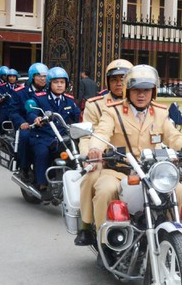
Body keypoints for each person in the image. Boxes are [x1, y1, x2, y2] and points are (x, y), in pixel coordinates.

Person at [86, 64, 182, 239]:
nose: (141, 95)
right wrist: (95, 148)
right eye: (136, 90)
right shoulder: (113, 111)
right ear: (128, 91)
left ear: (153, 91)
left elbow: (173, 135)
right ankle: (105, 240)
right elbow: (101, 132)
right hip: (118, 171)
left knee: (178, 190)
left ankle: (179, 238)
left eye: (146, 90)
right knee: (105, 190)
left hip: (151, 173)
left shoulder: (160, 113)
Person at [75, 58, 133, 246]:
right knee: (91, 178)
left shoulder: (142, 102)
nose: (119, 83)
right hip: (105, 158)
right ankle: (86, 226)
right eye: (115, 79)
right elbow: (86, 135)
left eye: (124, 79)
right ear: (108, 81)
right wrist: (91, 156)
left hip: (134, 161)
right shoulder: (96, 105)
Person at [27, 67, 80, 201]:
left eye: (62, 82)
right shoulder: (40, 98)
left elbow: (77, 117)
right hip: (43, 136)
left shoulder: (69, 100)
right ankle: (42, 184)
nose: (59, 85)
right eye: (56, 82)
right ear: (50, 83)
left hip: (62, 137)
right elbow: (31, 111)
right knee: (42, 152)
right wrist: (36, 118)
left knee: (76, 153)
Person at [10, 63, 50, 179]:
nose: (43, 79)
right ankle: (24, 167)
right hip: (28, 125)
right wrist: (21, 122)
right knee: (26, 136)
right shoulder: (20, 92)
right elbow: (13, 111)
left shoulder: (49, 92)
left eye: (45, 76)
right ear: (32, 76)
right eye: (40, 76)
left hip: (45, 124)